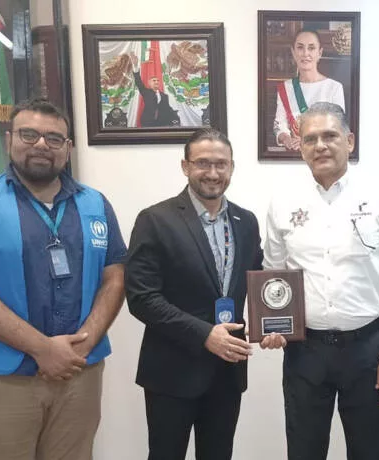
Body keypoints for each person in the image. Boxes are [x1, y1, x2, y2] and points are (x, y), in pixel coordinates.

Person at [0, 98, 127, 459]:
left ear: (67, 148)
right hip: (2, 379)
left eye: (54, 139)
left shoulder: (96, 204)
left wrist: (81, 347)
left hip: (78, 375)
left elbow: (115, 278)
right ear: (9, 139)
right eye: (29, 134)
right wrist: (42, 349)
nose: (41, 145)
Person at [263, 102, 379, 460]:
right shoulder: (283, 202)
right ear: (301, 147)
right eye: (310, 139)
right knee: (303, 450)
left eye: (329, 136)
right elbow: (274, 273)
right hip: (305, 351)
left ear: (349, 141)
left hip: (369, 349)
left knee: (371, 451)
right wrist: (273, 323)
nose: (320, 145)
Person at [125, 128, 263, 460]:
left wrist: (272, 325)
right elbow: (142, 298)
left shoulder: (246, 221)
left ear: (232, 167)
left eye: (221, 164)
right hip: (172, 371)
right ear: (185, 166)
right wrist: (204, 334)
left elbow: (260, 284)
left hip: (227, 371)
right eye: (203, 163)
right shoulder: (155, 219)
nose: (213, 173)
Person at [273, 29, 345, 151]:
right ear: (293, 52)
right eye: (300, 48)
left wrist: (308, 140)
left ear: (320, 53)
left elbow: (337, 128)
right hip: (294, 154)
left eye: (311, 48)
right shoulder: (286, 88)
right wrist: (287, 139)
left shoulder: (334, 88)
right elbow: (279, 125)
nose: (305, 53)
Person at [131, 53, 180, 128]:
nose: (156, 82)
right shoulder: (146, 93)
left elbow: (167, 109)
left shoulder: (164, 96)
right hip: (147, 123)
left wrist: (175, 116)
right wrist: (135, 66)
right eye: (154, 80)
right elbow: (138, 82)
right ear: (149, 83)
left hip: (161, 124)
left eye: (157, 80)